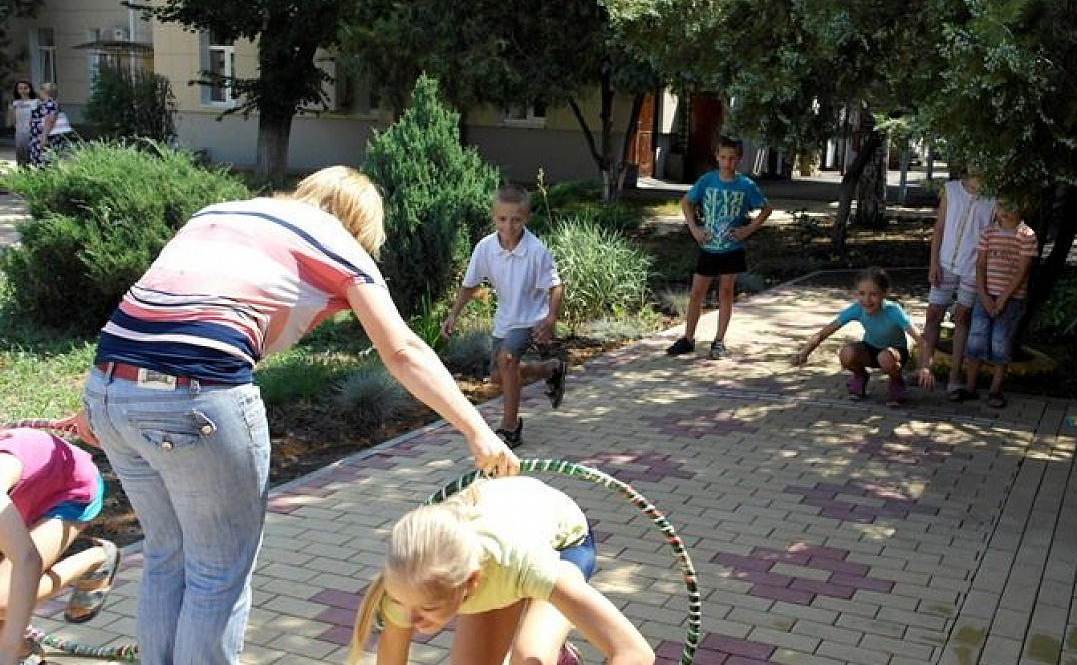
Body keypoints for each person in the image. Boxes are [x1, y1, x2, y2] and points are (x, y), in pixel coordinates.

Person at [79, 166, 520, 665]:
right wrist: (477, 430)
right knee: (216, 574)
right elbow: (402, 351)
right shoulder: (337, 239)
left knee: (166, 556)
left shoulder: (219, 213)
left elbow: (156, 305)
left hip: (109, 386)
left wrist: (100, 402)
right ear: (359, 225)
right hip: (196, 397)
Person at [348, 476, 654, 665]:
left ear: (470, 582)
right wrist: (414, 603)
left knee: (530, 657)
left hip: (564, 544)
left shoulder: (520, 564)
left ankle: (557, 656)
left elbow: (635, 654)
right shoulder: (407, 584)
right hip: (501, 551)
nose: (411, 619)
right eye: (403, 604)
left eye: (428, 607)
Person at [442, 184, 566, 449]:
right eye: (502, 219)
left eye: (516, 220)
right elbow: (470, 284)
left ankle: (510, 428)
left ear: (526, 218)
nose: (509, 226)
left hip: (531, 319)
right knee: (499, 376)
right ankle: (550, 369)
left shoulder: (536, 250)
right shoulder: (485, 248)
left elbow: (556, 285)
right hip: (505, 320)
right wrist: (453, 315)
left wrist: (551, 318)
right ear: (493, 216)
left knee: (507, 359)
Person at [0, 415, 120, 665]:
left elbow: (26, 560)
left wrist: (7, 651)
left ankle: (94, 556)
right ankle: (25, 651)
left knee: (3, 598)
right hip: (21, 498)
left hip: (66, 490)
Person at [665, 136, 772, 360]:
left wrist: (747, 230)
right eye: (723, 157)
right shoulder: (707, 180)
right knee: (696, 293)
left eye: (732, 158)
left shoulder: (745, 185)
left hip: (731, 249)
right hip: (708, 247)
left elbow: (766, 209)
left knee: (725, 292)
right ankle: (688, 338)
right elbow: (686, 202)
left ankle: (719, 341)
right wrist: (694, 229)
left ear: (739, 160)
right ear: (716, 157)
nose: (727, 163)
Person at [788, 267, 935, 406]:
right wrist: (804, 352)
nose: (867, 300)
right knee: (846, 353)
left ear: (885, 293)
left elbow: (923, 342)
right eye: (862, 293)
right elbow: (823, 333)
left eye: (873, 294)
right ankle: (860, 376)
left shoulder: (894, 311)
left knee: (885, 357)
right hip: (870, 349)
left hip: (894, 353)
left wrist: (925, 367)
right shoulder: (857, 309)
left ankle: (897, 382)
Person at [922, 171, 997, 401]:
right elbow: (940, 228)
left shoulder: (993, 198)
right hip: (945, 264)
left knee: (963, 318)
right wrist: (933, 262)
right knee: (933, 314)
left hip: (973, 268)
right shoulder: (952, 190)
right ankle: (924, 368)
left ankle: (955, 376)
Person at [960, 201, 1038, 408]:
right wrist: (984, 296)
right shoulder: (988, 233)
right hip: (985, 295)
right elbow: (980, 265)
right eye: (1001, 205)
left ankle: (996, 389)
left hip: (1011, 299)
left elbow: (1023, 271)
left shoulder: (1027, 235)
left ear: (1022, 206)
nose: (1005, 210)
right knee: (976, 338)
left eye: (1010, 205)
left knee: (1000, 341)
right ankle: (970, 386)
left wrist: (1003, 298)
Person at [28, 83, 71, 168]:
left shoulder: (50, 104)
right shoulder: (41, 103)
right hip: (37, 136)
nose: (38, 92)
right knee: (39, 160)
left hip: (45, 136)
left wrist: (44, 137)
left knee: (44, 160)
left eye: (40, 90)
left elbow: (50, 120)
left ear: (45, 91)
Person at [7, 80, 39, 167]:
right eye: (20, 88)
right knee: (21, 156)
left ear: (30, 89)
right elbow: (11, 121)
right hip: (19, 132)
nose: (23, 90)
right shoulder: (15, 103)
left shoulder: (35, 102)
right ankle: (23, 175)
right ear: (17, 90)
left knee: (32, 155)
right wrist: (11, 110)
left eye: (25, 88)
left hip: (33, 132)